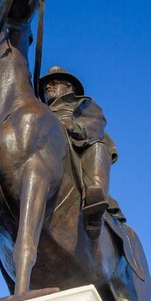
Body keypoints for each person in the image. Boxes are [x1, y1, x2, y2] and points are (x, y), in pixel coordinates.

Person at [38, 66, 119, 237]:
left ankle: (95, 197)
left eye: (54, 83)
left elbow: (95, 124)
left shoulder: (83, 105)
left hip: (76, 145)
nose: (48, 87)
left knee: (97, 146)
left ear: (69, 87)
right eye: (46, 86)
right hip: (43, 153)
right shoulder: (38, 111)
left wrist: (72, 126)